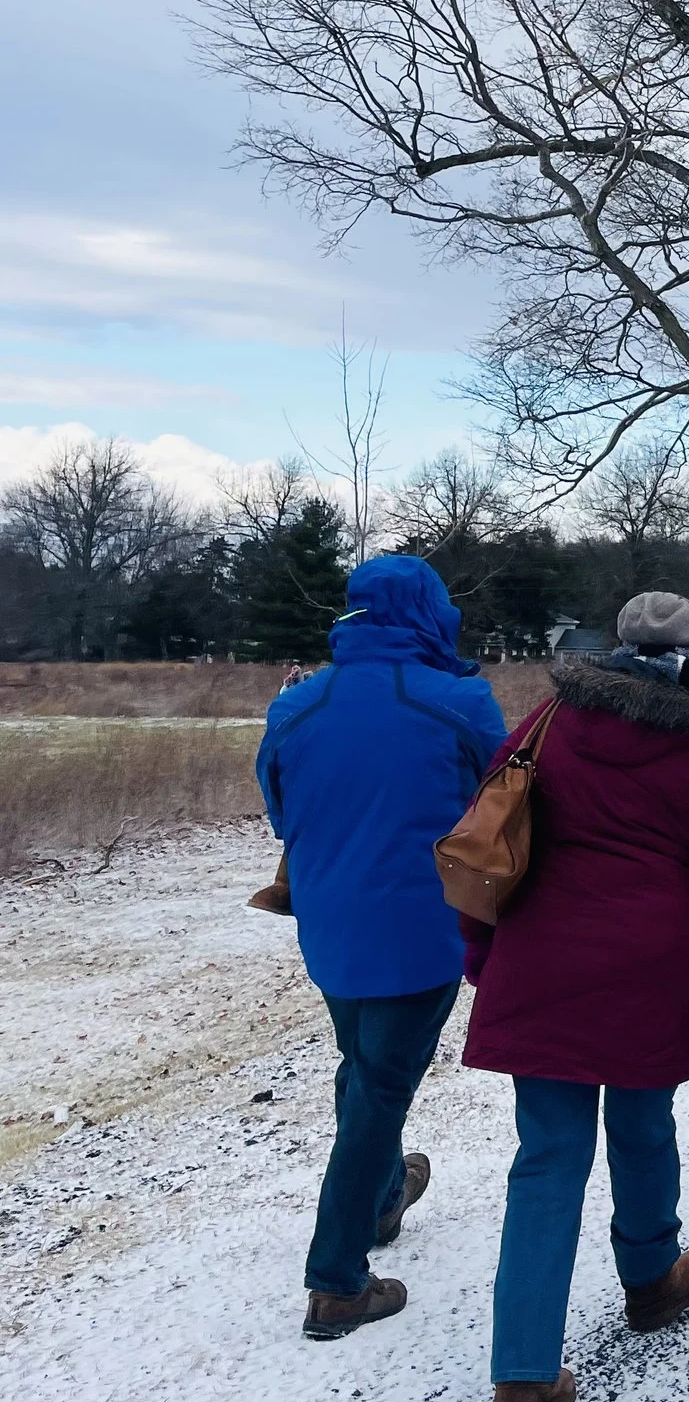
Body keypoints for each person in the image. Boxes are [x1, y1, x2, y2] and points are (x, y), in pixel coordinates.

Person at [460, 592, 689, 1402]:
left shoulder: (551, 719)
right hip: (651, 969)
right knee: (644, 1123)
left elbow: (487, 828)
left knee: (546, 1159)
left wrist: (481, 952)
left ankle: (522, 1378)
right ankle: (650, 1278)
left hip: (541, 965)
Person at [255, 553, 506, 1342]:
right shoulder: (459, 699)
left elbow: (279, 808)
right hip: (424, 931)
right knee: (379, 1086)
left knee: (365, 1066)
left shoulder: (296, 706)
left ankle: (386, 1191)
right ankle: (336, 1279)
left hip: (328, 924)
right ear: (433, 613)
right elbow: (501, 799)